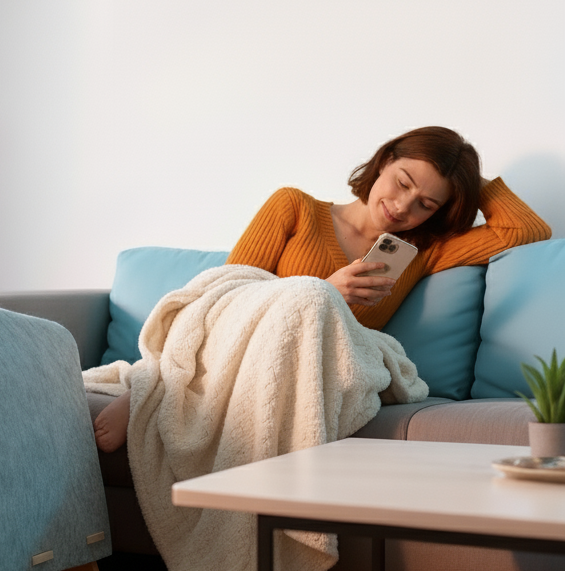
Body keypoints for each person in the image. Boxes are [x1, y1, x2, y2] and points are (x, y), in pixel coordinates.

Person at [92, 126, 551, 453]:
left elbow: (526, 229)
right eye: (403, 182)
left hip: (318, 358)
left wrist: (465, 179)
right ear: (384, 161)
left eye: (426, 203)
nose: (402, 206)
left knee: (317, 302)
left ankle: (171, 396)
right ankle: (151, 389)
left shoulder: (421, 251)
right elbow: (225, 293)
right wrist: (324, 288)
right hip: (247, 338)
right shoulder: (295, 206)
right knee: (305, 295)